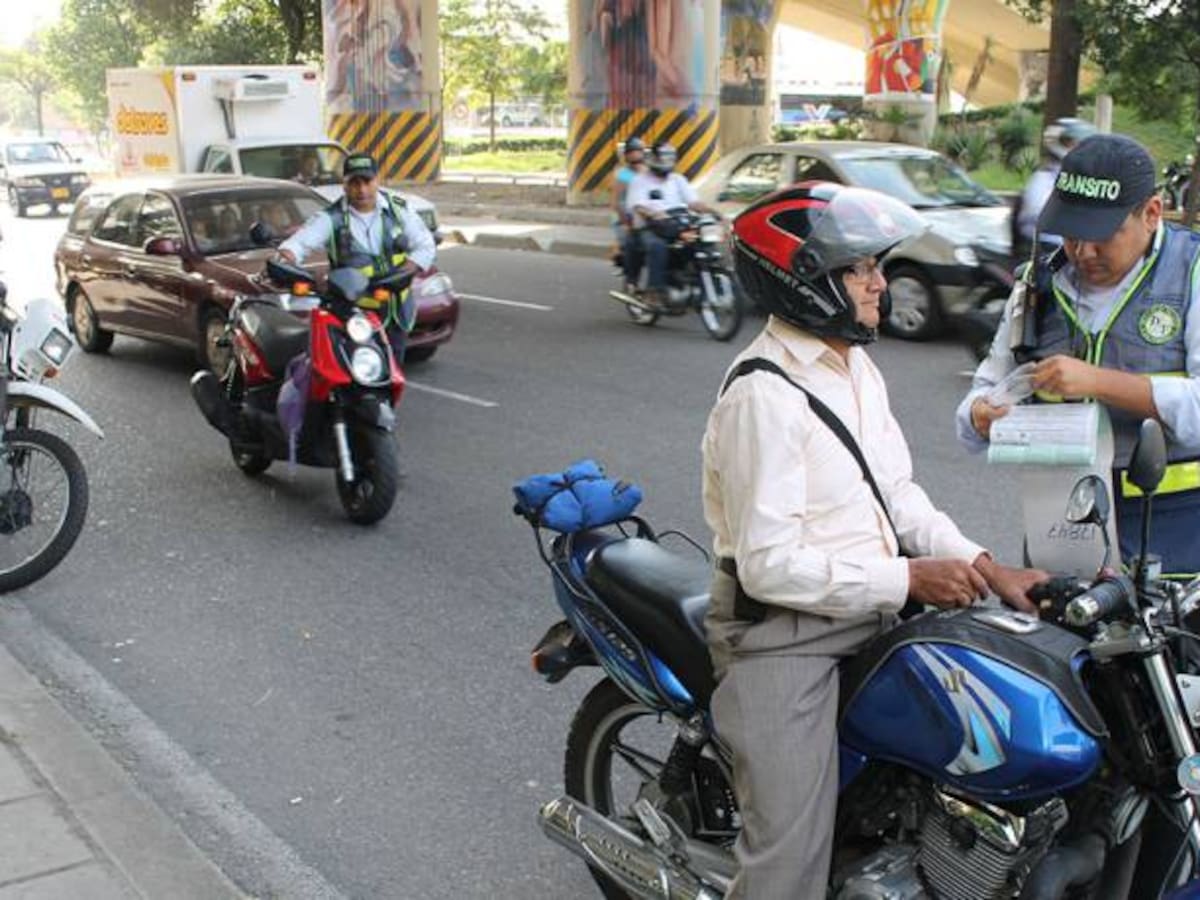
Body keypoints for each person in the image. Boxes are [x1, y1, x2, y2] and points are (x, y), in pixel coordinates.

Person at [703, 182, 1046, 899]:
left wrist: (984, 566)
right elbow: (768, 567)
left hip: (873, 609)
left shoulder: (854, 366)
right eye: (859, 268)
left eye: (875, 266)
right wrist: (909, 580)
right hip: (785, 636)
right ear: (804, 280)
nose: (878, 283)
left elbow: (899, 497)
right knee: (787, 862)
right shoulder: (762, 397)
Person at [958, 133, 1200, 577]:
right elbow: (978, 399)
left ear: (1151, 213)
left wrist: (1098, 382)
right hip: (1062, 531)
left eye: (1101, 235)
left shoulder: (1192, 272)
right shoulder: (1038, 283)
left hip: (1177, 535)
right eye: (1071, 234)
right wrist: (981, 414)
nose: (1083, 252)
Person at [276, 152, 436, 364]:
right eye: (354, 183)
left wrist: (404, 272)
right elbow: (296, 245)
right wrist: (284, 260)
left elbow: (425, 245)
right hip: (353, 317)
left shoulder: (398, 210)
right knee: (352, 376)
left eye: (367, 182)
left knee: (391, 375)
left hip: (395, 314)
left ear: (377, 180)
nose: (361, 190)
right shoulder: (329, 218)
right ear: (344, 185)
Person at [625, 142, 720, 308]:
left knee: (702, 244)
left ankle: (705, 283)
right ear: (653, 159)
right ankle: (654, 291)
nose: (666, 163)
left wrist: (713, 212)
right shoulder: (640, 181)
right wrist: (653, 213)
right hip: (649, 227)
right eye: (663, 158)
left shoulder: (678, 180)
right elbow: (637, 206)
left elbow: (693, 202)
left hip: (676, 224)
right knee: (657, 246)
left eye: (670, 158)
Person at [1013, 117, 1097, 261]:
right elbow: (1039, 214)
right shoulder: (1043, 179)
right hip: (1045, 249)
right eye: (1074, 143)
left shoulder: (1081, 178)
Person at [611, 137, 646, 289]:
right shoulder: (623, 175)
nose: (635, 155)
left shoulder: (649, 172)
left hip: (644, 213)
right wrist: (624, 221)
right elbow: (617, 202)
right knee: (628, 241)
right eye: (632, 152)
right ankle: (627, 271)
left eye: (638, 151)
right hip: (625, 214)